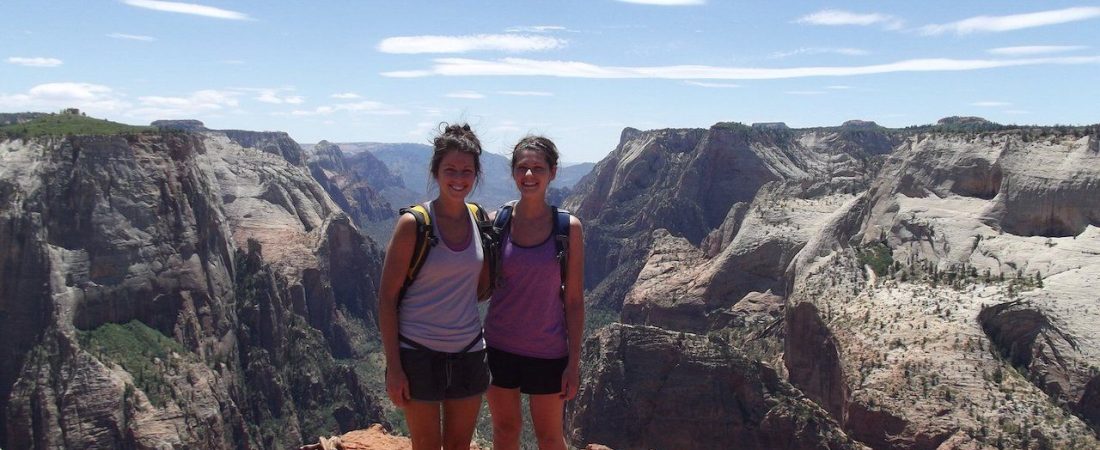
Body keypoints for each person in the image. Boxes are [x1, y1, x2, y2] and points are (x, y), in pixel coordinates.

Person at [378, 123, 490, 450]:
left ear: (476, 174)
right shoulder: (414, 224)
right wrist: (395, 369)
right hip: (418, 354)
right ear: (435, 171)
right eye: (450, 170)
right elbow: (386, 299)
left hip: (469, 352)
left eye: (466, 171)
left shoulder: (478, 217)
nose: (458, 178)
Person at [485, 136, 585, 450]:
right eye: (522, 168)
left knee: (550, 438)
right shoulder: (498, 223)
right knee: (504, 431)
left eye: (538, 168)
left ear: (553, 172)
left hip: (548, 350)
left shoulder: (568, 229)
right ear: (513, 173)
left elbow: (574, 301)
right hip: (500, 346)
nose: (529, 176)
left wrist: (573, 364)